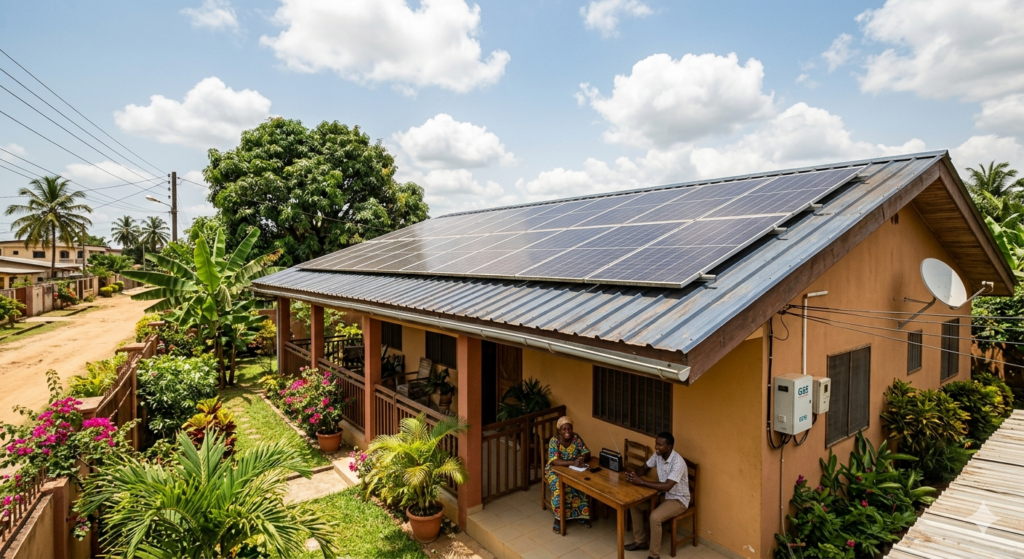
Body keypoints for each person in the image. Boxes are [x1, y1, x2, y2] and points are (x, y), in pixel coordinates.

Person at [623, 432, 689, 559]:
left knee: (655, 518)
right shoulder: (658, 455)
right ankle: (641, 541)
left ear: (669, 447)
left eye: (660, 445)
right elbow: (644, 467)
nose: (656, 447)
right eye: (656, 443)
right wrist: (634, 475)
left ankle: (654, 555)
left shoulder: (678, 462)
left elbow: (667, 486)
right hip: (662, 495)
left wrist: (641, 482)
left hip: (678, 499)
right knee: (635, 505)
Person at [545, 416, 592, 533]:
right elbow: (554, 460)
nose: (567, 432)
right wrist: (573, 462)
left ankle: (580, 515)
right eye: (564, 429)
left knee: (582, 484)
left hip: (573, 469)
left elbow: (586, 451)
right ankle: (558, 519)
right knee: (558, 487)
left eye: (569, 429)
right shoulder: (554, 441)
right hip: (554, 470)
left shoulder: (576, 438)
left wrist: (581, 458)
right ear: (559, 430)